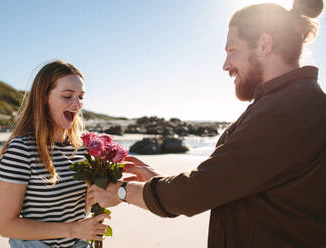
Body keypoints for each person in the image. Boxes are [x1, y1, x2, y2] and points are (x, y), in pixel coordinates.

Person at [86, 0, 326, 247]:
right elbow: (224, 183)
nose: (225, 65)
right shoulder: (292, 102)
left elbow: (193, 193)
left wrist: (120, 191)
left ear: (264, 45)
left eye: (231, 50)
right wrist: (156, 181)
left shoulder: (286, 112)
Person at [0, 60, 110, 248]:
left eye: (81, 96)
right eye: (67, 96)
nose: (77, 104)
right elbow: (6, 226)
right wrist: (72, 230)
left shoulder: (83, 149)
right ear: (44, 97)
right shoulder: (22, 150)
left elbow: (79, 212)